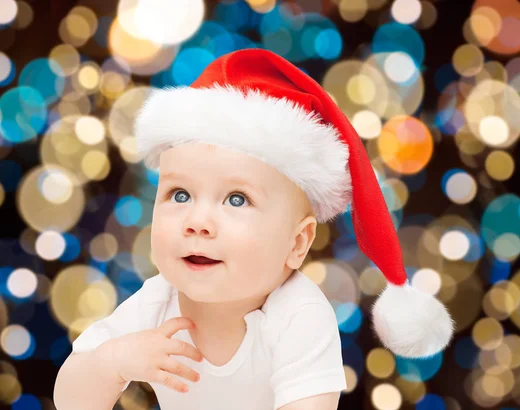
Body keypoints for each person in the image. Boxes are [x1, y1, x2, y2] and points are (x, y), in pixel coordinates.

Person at [53, 48, 455, 410]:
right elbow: (70, 400)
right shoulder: (157, 301)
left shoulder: (300, 316)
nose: (197, 222)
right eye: (179, 195)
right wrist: (113, 363)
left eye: (236, 199)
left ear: (297, 244)